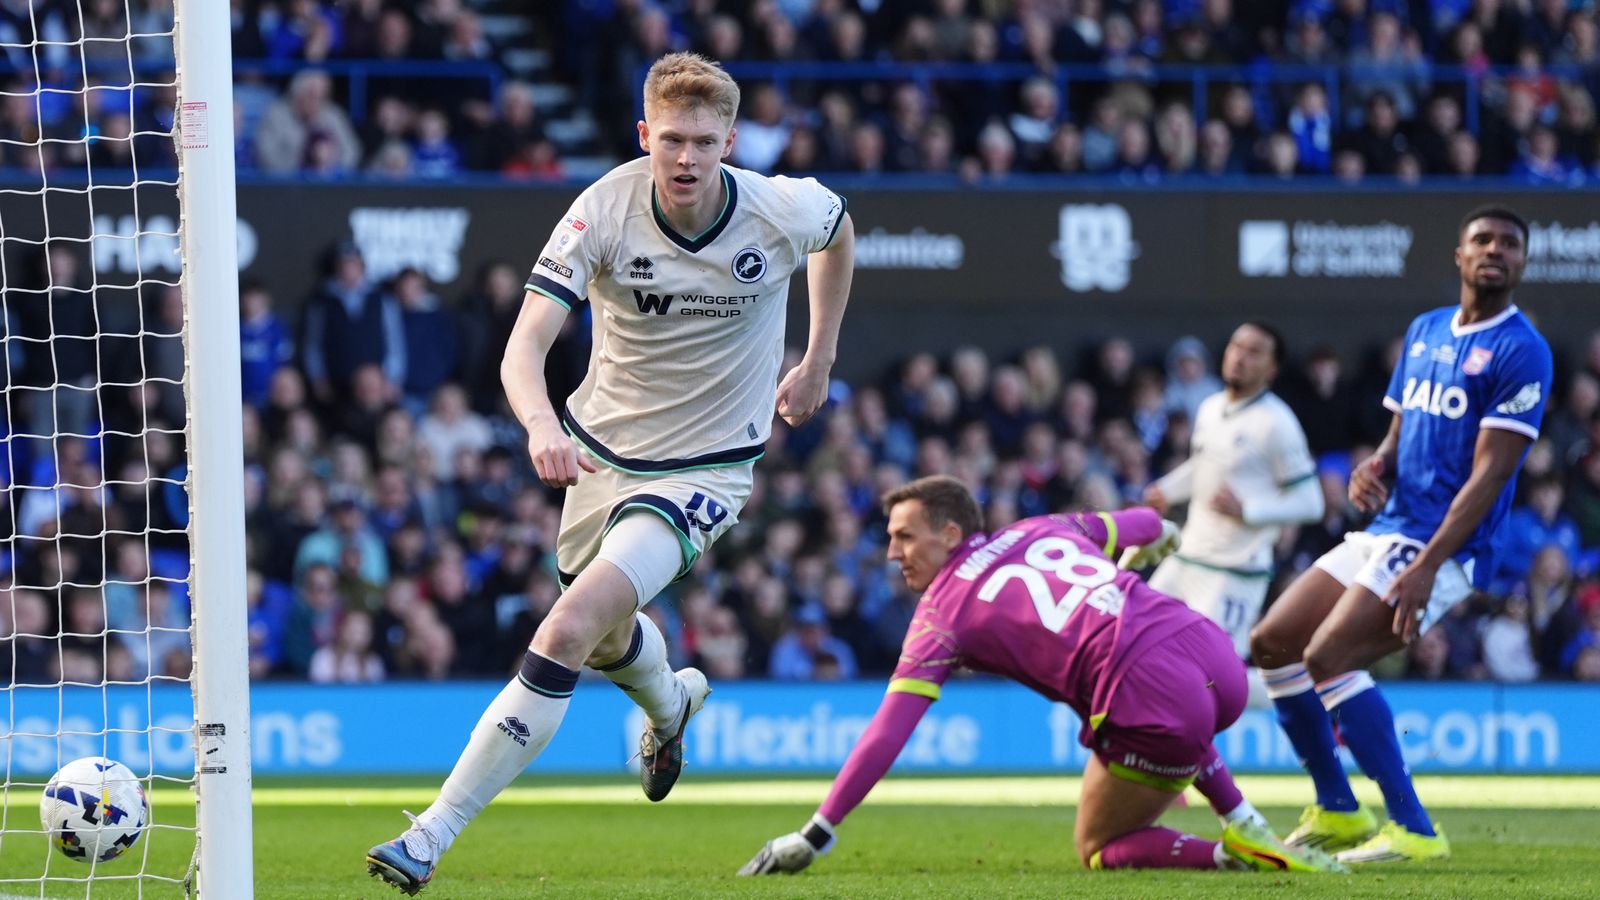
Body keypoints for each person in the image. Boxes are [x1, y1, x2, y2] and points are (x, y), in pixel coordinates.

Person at [366, 51, 855, 894]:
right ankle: (670, 706)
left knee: (565, 627)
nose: (688, 159)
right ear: (644, 135)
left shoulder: (778, 209)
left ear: (731, 140)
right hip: (600, 454)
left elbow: (839, 231)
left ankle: (428, 834)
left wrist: (817, 359)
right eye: (672, 140)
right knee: (599, 642)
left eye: (705, 141)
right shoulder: (602, 211)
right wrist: (539, 422)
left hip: (706, 467)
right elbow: (525, 347)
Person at [739, 476, 1345, 877]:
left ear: (951, 535)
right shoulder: (1040, 527)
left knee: (1099, 846)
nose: (894, 552)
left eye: (905, 537)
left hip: (1152, 697)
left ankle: (1235, 853)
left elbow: (886, 735)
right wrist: (1160, 542)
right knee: (1159, 713)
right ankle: (1246, 822)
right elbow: (1148, 523)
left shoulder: (940, 616)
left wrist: (816, 834)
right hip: (1210, 653)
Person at [1249, 206, 1553, 864]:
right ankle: (1337, 810)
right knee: (1272, 644)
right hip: (1386, 528)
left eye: (1509, 244)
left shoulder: (1522, 350)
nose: (1495, 251)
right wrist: (1377, 463)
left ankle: (1413, 827)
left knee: (1328, 657)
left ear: (1523, 262)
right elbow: (1401, 427)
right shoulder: (1424, 331)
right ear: (1460, 255)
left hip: (1444, 543)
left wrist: (1427, 567)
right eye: (1483, 240)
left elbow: (1491, 474)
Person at [1144, 321, 1323, 704]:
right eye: (1236, 346)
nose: (1240, 356)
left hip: (1235, 572)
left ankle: (1315, 696)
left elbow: (1312, 503)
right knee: (1135, 641)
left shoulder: (1278, 423)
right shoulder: (1210, 408)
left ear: (1271, 370)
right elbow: (1203, 467)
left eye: (1254, 351)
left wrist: (1249, 511)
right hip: (1188, 557)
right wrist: (1166, 490)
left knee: (1211, 681)